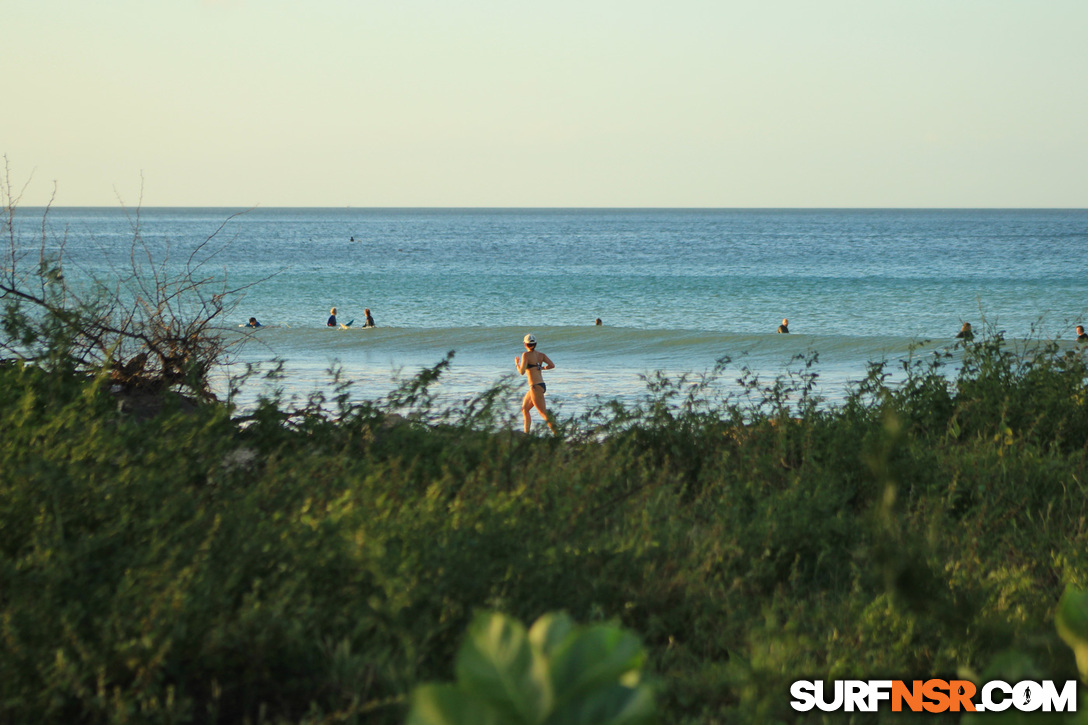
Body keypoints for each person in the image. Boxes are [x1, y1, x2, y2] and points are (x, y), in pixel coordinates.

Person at [515, 333, 556, 434]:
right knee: (524, 409)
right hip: (540, 385)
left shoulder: (525, 355)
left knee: (543, 413)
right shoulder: (541, 355)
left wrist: (517, 364)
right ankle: (526, 434)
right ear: (535, 344)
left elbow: (521, 372)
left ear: (525, 344)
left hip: (534, 387)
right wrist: (542, 367)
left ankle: (557, 433)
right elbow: (552, 365)